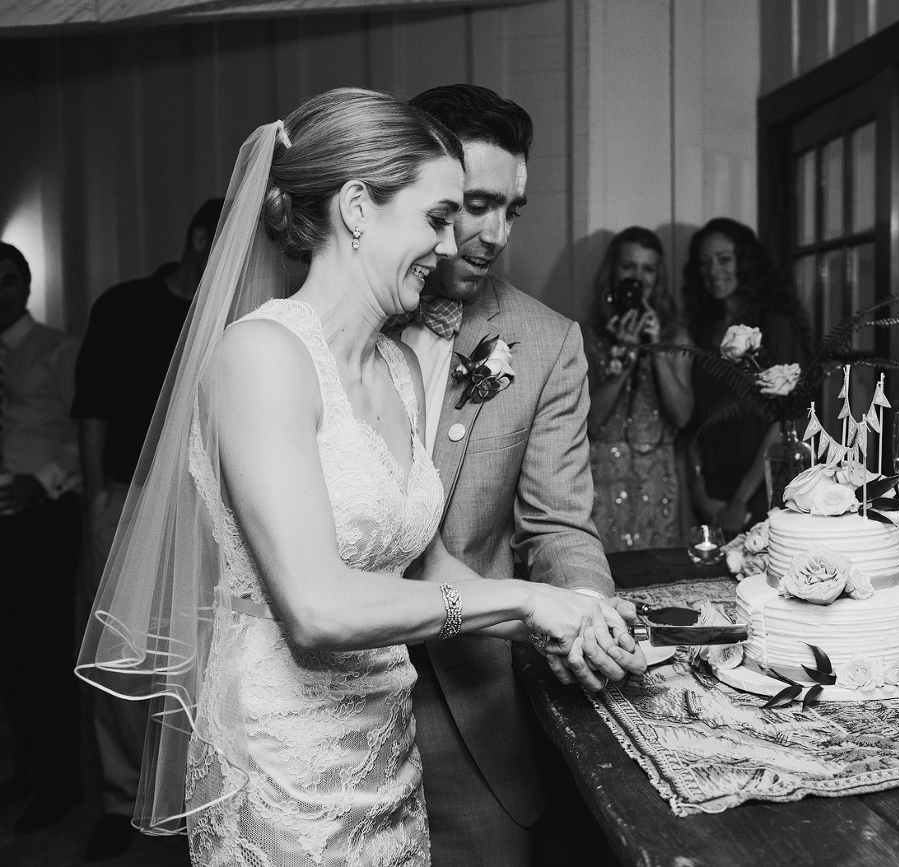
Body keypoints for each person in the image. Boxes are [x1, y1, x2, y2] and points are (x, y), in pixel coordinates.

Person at [77, 88, 640, 867]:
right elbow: (313, 607)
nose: (452, 246)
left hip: (383, 752)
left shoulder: (396, 367)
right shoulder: (260, 357)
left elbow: (427, 558)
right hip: (290, 765)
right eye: (438, 216)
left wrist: (569, 610)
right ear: (356, 208)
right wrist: (520, 596)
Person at [398, 84, 645, 866]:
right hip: (321, 695)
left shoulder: (543, 342)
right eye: (476, 203)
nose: (496, 234)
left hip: (467, 707)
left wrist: (584, 610)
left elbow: (559, 523)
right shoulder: (323, 327)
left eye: (513, 210)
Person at [72, 196, 223, 862]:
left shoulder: (240, 314)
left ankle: (184, 799)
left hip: (208, 510)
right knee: (120, 655)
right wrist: (94, 503)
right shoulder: (122, 305)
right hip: (127, 499)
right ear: (197, 239)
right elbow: (92, 410)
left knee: (195, 660)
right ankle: (118, 797)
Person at [0, 241, 84, 834]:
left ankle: (62, 781)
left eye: (8, 280)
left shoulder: (58, 349)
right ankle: (28, 765)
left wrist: (41, 481)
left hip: (43, 518)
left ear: (26, 285)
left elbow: (87, 433)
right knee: (10, 655)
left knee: (44, 653)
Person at [682, 218, 806, 535]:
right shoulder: (701, 330)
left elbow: (784, 420)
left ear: (746, 262)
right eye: (704, 262)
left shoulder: (774, 325)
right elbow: (693, 419)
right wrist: (699, 492)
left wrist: (740, 502)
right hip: (711, 494)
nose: (713, 270)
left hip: (760, 489)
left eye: (724, 259)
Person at [583, 227, 693, 550]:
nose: (638, 278)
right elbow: (588, 423)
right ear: (613, 271)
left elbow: (683, 415)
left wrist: (654, 346)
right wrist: (624, 357)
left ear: (659, 277)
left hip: (657, 472)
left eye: (648, 269)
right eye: (628, 267)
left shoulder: (676, 335)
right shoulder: (588, 335)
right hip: (602, 471)